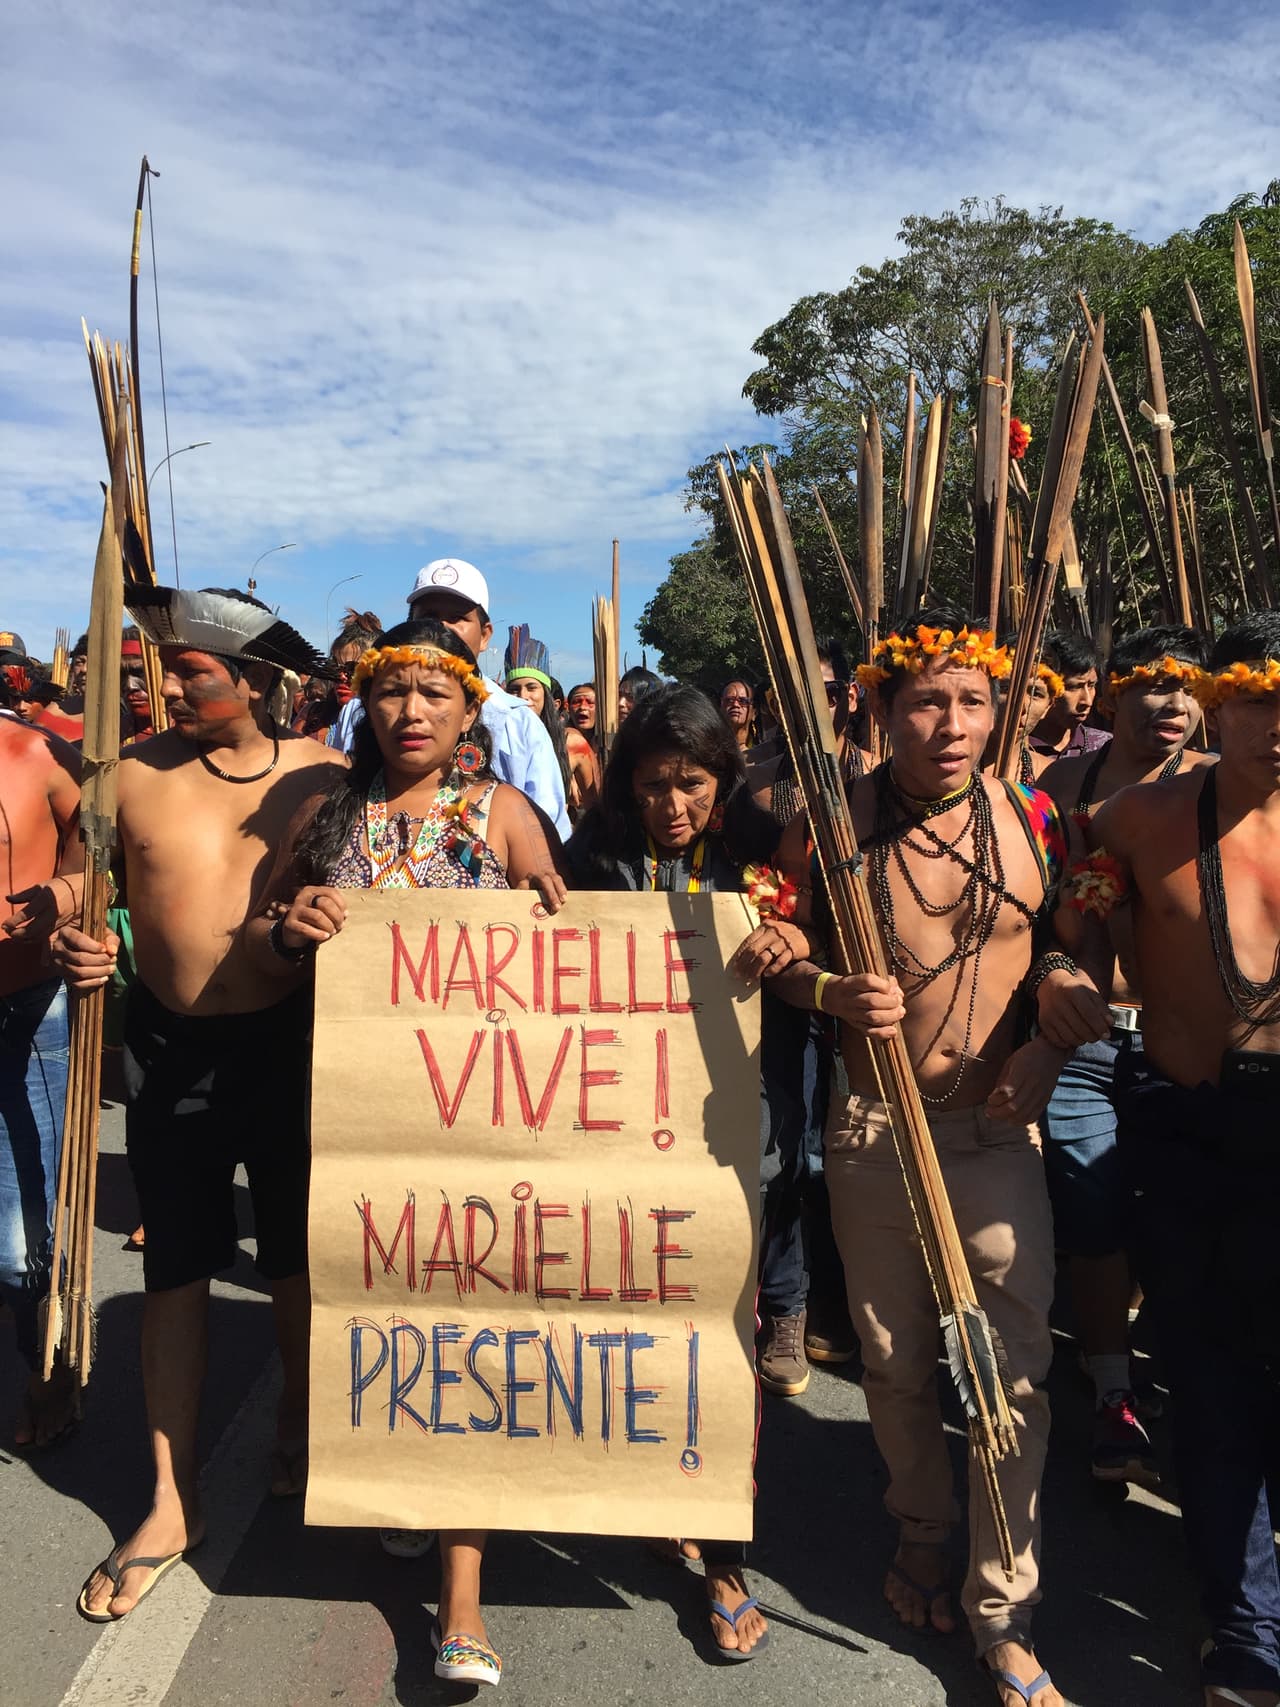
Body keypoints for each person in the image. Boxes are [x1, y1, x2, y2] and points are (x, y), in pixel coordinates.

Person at [752, 611, 1107, 1707]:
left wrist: (1054, 1011)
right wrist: (818, 987)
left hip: (996, 1126)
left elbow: (1076, 933)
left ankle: (1003, 1607)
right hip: (870, 1126)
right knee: (896, 1362)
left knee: (1009, 1376)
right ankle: (920, 1533)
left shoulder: (1037, 812)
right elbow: (773, 948)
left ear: (998, 708)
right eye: (924, 703)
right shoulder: (823, 823)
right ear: (878, 711)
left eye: (969, 701)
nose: (949, 725)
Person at [249, 618, 567, 1688]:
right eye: (393, 693)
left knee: (468, 1321)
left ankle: (462, 1594)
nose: (412, 712)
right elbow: (262, 937)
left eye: (435, 693)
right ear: (365, 706)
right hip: (353, 1121)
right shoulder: (322, 813)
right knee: (384, 1317)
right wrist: (295, 924)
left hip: (483, 1126)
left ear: (471, 711)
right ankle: (405, 1484)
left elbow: (573, 952)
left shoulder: (504, 814)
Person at [50, 586, 345, 1623]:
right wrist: (74, 927)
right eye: (161, 667)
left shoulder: (327, 778)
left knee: (298, 1261)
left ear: (256, 681)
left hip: (294, 1044)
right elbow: (88, 882)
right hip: (170, 1052)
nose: (165, 683)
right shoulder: (127, 776)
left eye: (190, 670)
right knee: (176, 1268)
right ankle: (171, 1503)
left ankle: (305, 1434)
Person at [568, 682, 810, 1660]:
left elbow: (809, 964)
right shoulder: (592, 860)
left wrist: (791, 938)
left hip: (723, 1134)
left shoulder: (759, 857)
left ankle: (722, 1552)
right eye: (654, 785)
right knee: (631, 1321)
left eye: (693, 784)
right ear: (628, 785)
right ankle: (644, 1487)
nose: (673, 805)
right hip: (617, 1127)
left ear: (724, 780)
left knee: (720, 1329)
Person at [1068, 612, 1280, 1707]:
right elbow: (1068, 944)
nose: (1275, 727)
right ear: (1218, 697)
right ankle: (1244, 1628)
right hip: (1188, 1128)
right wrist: (1067, 982)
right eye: (1257, 700)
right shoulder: (1133, 819)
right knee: (1206, 1386)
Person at [1039, 624, 1213, 1486]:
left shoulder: (1226, 787)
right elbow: (1033, 910)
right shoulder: (1062, 783)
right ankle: (1113, 1390)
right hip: (1084, 1035)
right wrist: (1058, 968)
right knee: (1092, 1206)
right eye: (1153, 685)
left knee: (1177, 1218)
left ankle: (1198, 1394)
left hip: (1187, 1042)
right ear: (1112, 693)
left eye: (1190, 687)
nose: (1173, 705)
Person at [0, 695, 83, 1448]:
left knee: (23, 1217)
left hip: (23, 1003)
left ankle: (50, 1370)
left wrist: (65, 892)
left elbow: (101, 847)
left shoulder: (38, 755)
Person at [504, 625, 598, 817]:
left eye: (531, 688)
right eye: (514, 689)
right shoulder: (496, 740)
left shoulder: (571, 742)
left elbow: (598, 811)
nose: (523, 696)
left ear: (545, 695)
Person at [1029, 631, 1110, 760]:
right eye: (1073, 687)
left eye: (1091, 685)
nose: (1087, 701)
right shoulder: (1015, 751)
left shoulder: (1105, 747)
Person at [720, 679, 757, 751]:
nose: (735, 704)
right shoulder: (709, 752)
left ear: (754, 712)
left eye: (743, 701)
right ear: (721, 708)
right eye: (729, 700)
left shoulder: (765, 750)